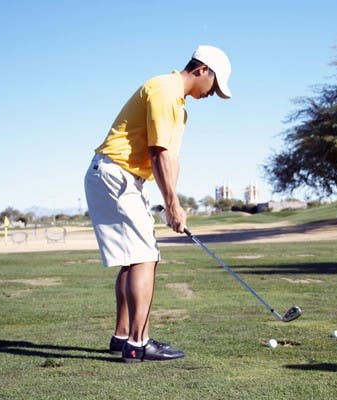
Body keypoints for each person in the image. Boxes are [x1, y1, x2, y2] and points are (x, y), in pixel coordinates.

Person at [84, 45, 232, 363]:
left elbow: (170, 158)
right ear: (202, 69)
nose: (213, 93)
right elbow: (158, 153)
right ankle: (138, 344)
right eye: (215, 85)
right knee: (145, 257)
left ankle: (123, 336)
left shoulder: (179, 106)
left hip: (117, 175)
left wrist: (170, 204)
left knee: (132, 258)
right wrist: (173, 204)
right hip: (116, 174)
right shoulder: (164, 90)